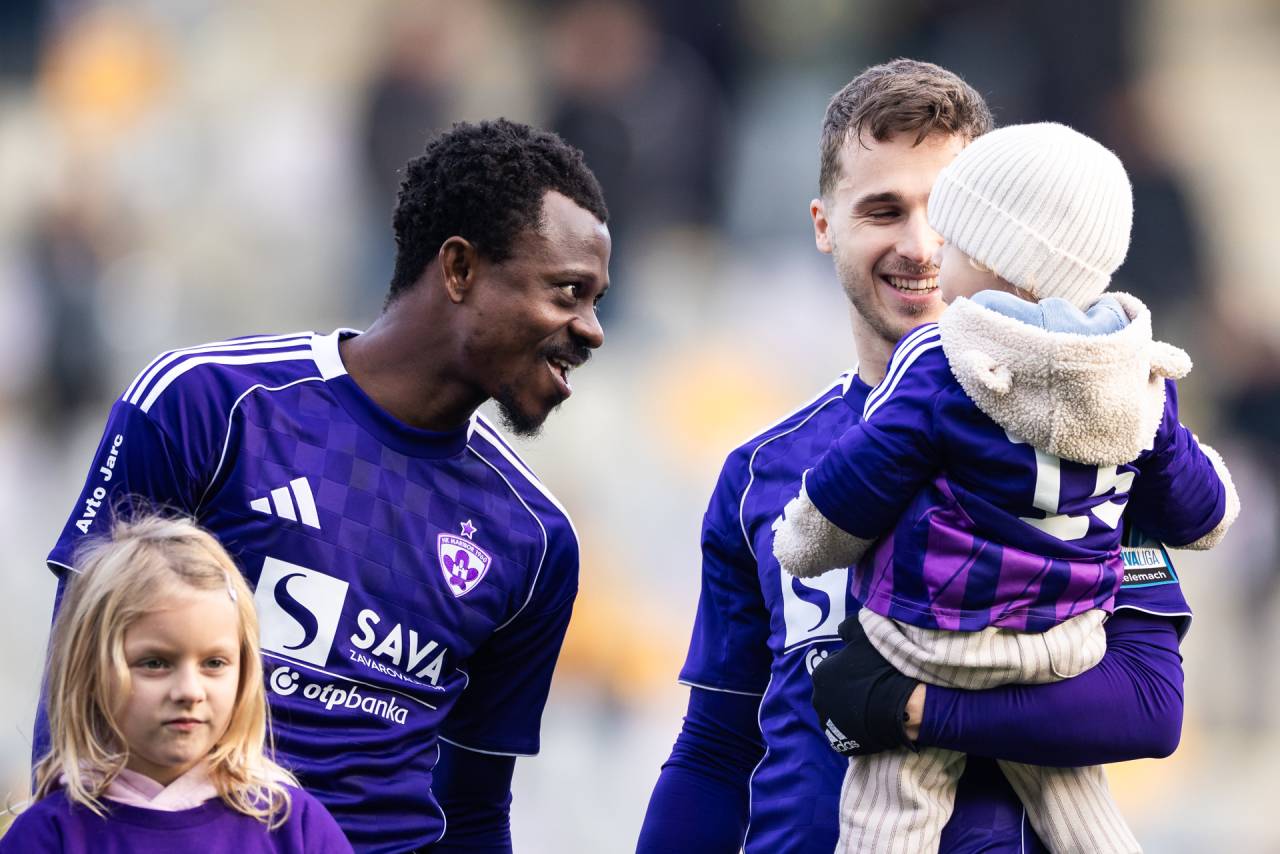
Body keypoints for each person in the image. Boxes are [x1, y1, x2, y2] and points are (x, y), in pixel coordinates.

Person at [637, 59, 1197, 854]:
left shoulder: (1098, 429)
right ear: (824, 225)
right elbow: (716, 748)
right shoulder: (761, 471)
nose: (921, 244)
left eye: (947, 213)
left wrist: (914, 710)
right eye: (883, 210)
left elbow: (1145, 704)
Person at [39, 119, 611, 852]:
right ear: (460, 268)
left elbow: (473, 810)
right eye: (568, 292)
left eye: (596, 301)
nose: (591, 329)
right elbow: (75, 686)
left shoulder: (534, 536)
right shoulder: (212, 405)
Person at [772, 122, 1238, 853]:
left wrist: (912, 706)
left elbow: (849, 493)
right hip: (1064, 647)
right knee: (1080, 808)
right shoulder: (1140, 384)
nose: (932, 255)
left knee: (891, 811)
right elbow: (1205, 514)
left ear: (996, 261)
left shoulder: (943, 361)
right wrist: (1162, 427)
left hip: (929, 642)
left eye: (952, 240)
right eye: (888, 210)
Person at [5, 515, 351, 853]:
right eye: (155, 663)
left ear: (245, 672)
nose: (189, 692)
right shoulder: (47, 835)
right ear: (91, 672)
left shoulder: (295, 826)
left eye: (214, 663)